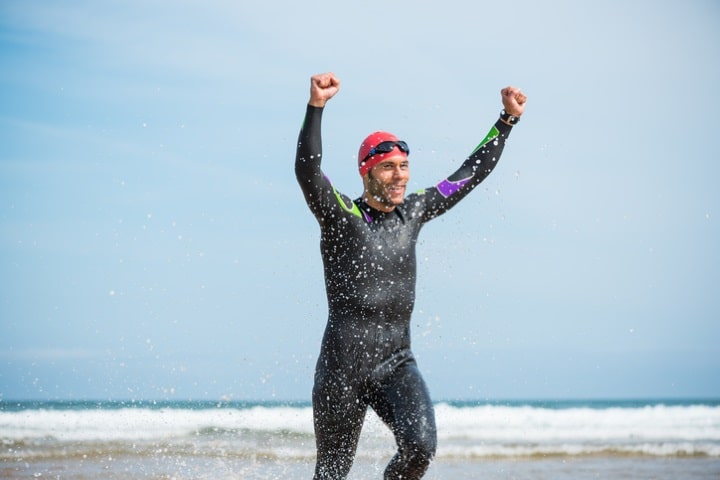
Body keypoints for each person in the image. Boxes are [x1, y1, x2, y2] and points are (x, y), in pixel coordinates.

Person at [295, 72, 527, 480]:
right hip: (341, 368)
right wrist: (317, 107)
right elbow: (308, 173)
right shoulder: (342, 217)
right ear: (367, 173)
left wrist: (506, 121)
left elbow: (469, 174)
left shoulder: (414, 213)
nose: (400, 176)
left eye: (404, 166)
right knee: (331, 473)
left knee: (420, 448)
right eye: (388, 168)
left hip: (396, 361)